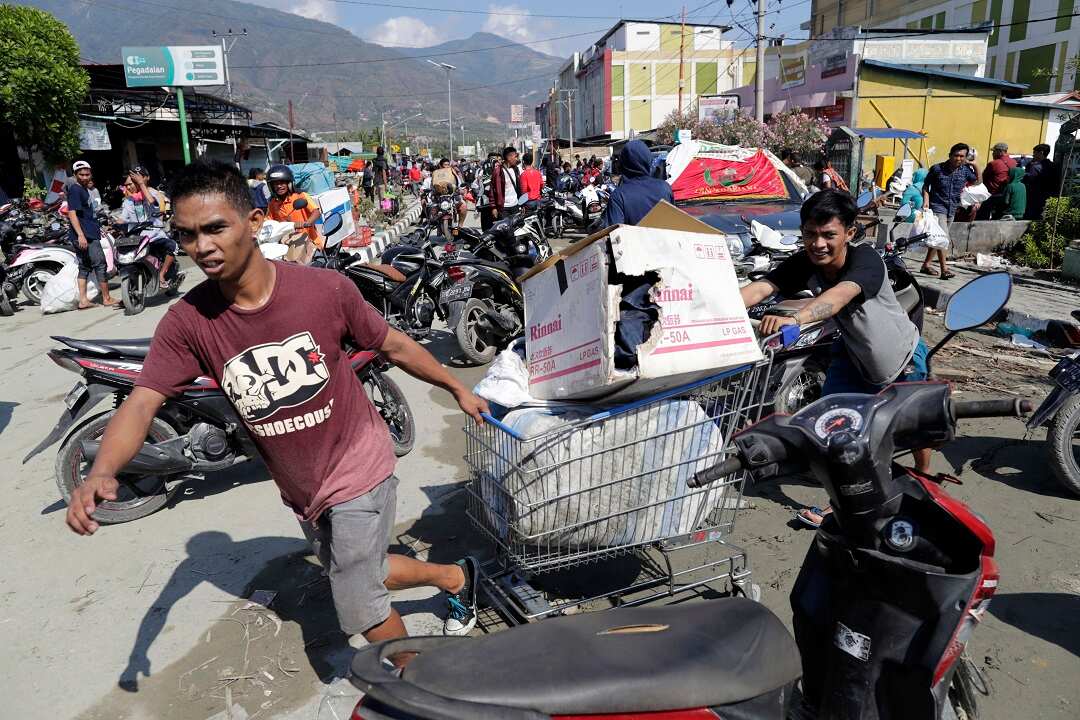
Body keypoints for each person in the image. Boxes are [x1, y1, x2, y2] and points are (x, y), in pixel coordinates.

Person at [64, 161, 490, 652]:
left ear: (256, 222)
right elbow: (142, 402)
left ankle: (417, 690)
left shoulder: (322, 290)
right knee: (358, 571)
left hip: (359, 465)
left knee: (360, 607)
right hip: (301, 485)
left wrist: (458, 387)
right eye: (187, 235)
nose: (202, 248)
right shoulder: (188, 321)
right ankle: (456, 578)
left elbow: (393, 344)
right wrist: (103, 471)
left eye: (216, 228)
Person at [740, 190, 930, 527]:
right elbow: (763, 288)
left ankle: (924, 480)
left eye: (829, 235)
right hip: (852, 356)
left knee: (917, 429)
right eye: (810, 234)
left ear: (849, 233)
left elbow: (840, 296)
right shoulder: (805, 262)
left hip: (900, 356)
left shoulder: (866, 260)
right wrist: (712, 309)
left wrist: (795, 319)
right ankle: (840, 503)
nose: (818, 244)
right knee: (834, 431)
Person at [921, 142, 978, 279]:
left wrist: (975, 165)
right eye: (956, 155)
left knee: (938, 238)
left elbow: (977, 182)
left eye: (962, 156)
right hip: (937, 206)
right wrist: (926, 201)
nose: (959, 158)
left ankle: (926, 265)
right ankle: (944, 269)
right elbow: (925, 186)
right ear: (950, 155)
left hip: (952, 208)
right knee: (943, 238)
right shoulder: (937, 169)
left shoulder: (965, 170)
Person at [66, 161, 118, 309]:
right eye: (81, 174)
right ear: (75, 175)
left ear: (91, 174)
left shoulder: (84, 190)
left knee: (84, 267)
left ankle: (83, 301)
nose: (84, 177)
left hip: (87, 233)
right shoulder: (76, 190)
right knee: (100, 264)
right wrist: (81, 235)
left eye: (87, 174)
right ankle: (106, 298)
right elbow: (72, 213)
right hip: (86, 236)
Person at [121, 169, 176, 286]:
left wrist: (141, 184)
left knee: (173, 246)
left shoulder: (153, 193)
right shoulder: (128, 201)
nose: (128, 187)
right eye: (126, 185)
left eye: (131, 183)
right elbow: (123, 218)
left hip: (154, 234)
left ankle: (161, 274)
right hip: (136, 237)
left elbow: (154, 204)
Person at [601, 139, 674, 227]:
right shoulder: (665, 188)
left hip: (631, 240)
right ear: (648, 160)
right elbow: (674, 222)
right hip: (664, 240)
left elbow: (614, 234)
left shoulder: (618, 196)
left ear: (623, 163)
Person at [266, 164, 322, 263]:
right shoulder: (272, 204)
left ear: (289, 183)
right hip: (288, 247)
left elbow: (316, 211)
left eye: (282, 182)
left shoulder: (300, 196)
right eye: (275, 183)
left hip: (310, 244)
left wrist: (308, 222)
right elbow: (268, 223)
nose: (279, 186)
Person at [976, 142, 1016, 220]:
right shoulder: (1013, 162)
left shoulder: (994, 163)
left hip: (992, 193)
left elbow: (983, 178)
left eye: (994, 151)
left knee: (982, 215)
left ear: (1000, 152)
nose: (993, 154)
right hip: (1007, 194)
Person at [1023, 143, 1059, 220]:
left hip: (1034, 198)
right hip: (1048, 197)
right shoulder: (1053, 166)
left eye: (1034, 153)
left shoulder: (1035, 167)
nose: (1033, 155)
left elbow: (1029, 180)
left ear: (1041, 153)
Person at [490, 146, 521, 222]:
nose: (516, 159)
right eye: (515, 156)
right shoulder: (498, 171)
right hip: (504, 208)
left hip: (515, 206)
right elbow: (492, 190)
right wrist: (493, 207)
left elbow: (519, 187)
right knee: (506, 231)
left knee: (516, 230)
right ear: (509, 157)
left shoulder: (516, 169)